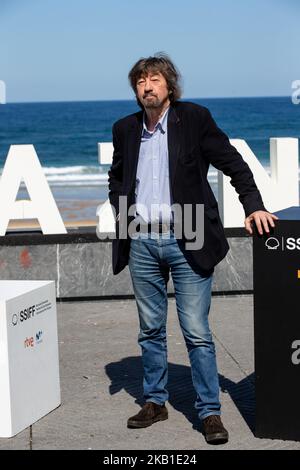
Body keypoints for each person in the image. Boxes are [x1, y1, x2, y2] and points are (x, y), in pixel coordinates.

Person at [108, 53, 278, 445]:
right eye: (140, 81)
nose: (147, 87)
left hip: (189, 236)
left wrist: (253, 206)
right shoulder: (125, 129)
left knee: (197, 330)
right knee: (150, 329)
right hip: (141, 241)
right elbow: (117, 175)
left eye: (154, 80)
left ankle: (209, 411)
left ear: (169, 85)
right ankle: (155, 401)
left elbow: (233, 163)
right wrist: (120, 215)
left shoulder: (195, 119)